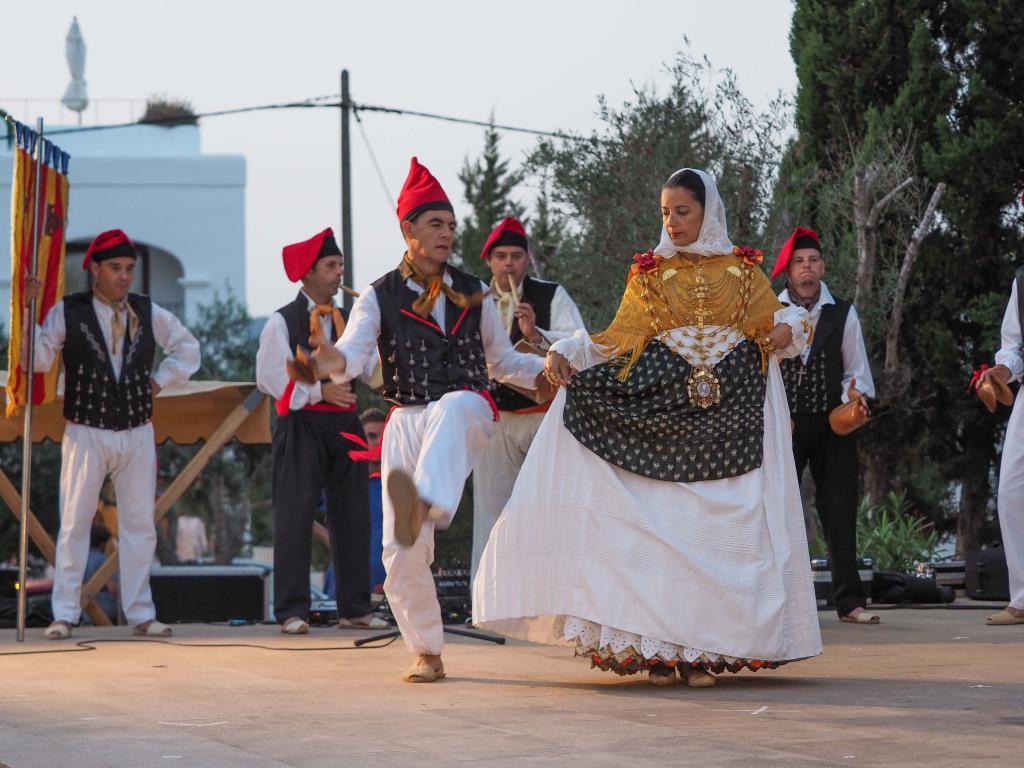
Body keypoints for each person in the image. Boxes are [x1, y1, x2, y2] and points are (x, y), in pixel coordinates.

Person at [473, 168, 821, 687]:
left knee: (720, 534)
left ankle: (703, 651)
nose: (673, 222)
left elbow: (786, 323)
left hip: (733, 415)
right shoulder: (650, 273)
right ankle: (656, 653)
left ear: (708, 212)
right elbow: (618, 339)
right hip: (660, 412)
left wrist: (787, 325)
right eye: (666, 213)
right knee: (660, 529)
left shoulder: (742, 272)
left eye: (683, 212)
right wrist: (565, 350)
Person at [298, 157, 549, 682]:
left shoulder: (473, 290)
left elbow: (502, 362)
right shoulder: (380, 294)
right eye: (436, 224)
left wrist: (548, 369)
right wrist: (323, 361)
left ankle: (432, 498)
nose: (447, 234)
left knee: (456, 406)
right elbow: (353, 351)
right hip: (406, 421)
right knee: (400, 551)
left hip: (467, 410)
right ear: (408, 230)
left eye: (451, 226)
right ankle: (427, 649)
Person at [24, 229, 201, 639]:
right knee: (75, 522)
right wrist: (29, 313)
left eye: (129, 269)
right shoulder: (69, 311)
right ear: (96, 270)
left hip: (137, 428)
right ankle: (65, 612)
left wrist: (159, 381)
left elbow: (188, 349)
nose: (124, 277)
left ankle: (140, 612)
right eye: (116, 269)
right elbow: (38, 358)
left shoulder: (148, 310)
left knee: (140, 524)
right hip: (86, 429)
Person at [256, 228, 386, 634]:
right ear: (308, 274)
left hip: (345, 424)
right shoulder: (282, 321)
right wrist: (319, 392)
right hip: (302, 426)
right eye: (331, 266)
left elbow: (366, 368)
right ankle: (293, 610)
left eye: (340, 265)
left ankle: (355, 607)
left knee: (353, 515)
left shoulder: (350, 321)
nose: (338, 273)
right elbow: (270, 377)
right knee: (294, 514)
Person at [773, 227, 879, 625]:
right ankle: (779, 600)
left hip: (832, 424)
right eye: (800, 261)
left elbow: (858, 371)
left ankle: (850, 602)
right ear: (788, 270)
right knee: (778, 509)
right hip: (785, 425)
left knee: (839, 509)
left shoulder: (842, 312)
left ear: (823, 266)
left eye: (813, 261)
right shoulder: (772, 310)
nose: (807, 268)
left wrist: (857, 395)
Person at [471, 217, 585, 578]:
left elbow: (580, 344)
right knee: (492, 509)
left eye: (516, 256)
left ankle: (552, 599)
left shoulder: (551, 294)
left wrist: (537, 334)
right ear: (489, 260)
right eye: (501, 256)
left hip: (544, 415)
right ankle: (486, 602)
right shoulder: (474, 298)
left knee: (550, 507)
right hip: (495, 419)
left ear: (526, 259)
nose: (508, 264)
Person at [978, 270, 1024, 626]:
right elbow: (1013, 345)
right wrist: (1004, 369)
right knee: (1011, 490)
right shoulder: (1022, 280)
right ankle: (1022, 598)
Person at [322, 407, 388, 599]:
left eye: (384, 437)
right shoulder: (341, 481)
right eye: (371, 436)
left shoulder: (403, 483)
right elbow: (300, 507)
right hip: (342, 583)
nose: (378, 443)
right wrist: (328, 538)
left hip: (389, 585)